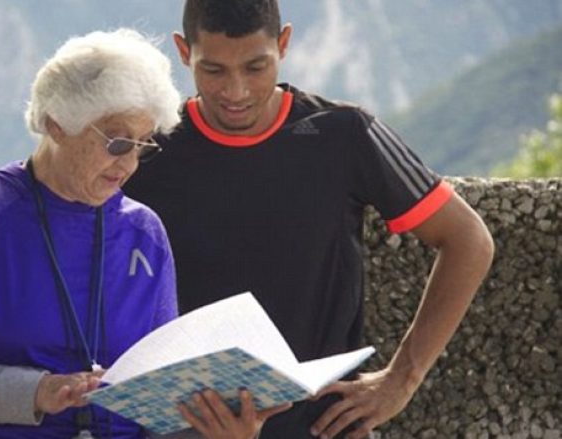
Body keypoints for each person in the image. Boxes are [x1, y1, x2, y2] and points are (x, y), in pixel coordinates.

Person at [123, 1, 496, 438]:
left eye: (256, 67)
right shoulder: (148, 149)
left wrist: (403, 378)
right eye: (214, 71)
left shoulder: (344, 134)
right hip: (188, 427)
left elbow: (469, 240)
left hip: (322, 427)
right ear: (184, 52)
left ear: (283, 45)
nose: (236, 90)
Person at [0, 28, 233, 439]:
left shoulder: (144, 231)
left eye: (142, 144)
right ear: (57, 123)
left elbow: (161, 400)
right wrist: (35, 392)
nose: (129, 164)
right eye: (117, 142)